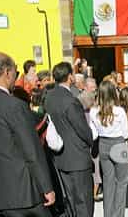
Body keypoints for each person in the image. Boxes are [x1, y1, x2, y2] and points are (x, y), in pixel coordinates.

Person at [0, 52, 55, 216]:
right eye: (16, 73)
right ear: (7, 73)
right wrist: (47, 187)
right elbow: (31, 150)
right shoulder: (14, 106)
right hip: (20, 195)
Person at [44, 62, 94, 217]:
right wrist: (90, 141)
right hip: (77, 158)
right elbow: (83, 129)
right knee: (83, 202)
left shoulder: (50, 96)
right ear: (69, 77)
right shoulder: (70, 101)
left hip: (61, 157)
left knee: (72, 201)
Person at [89, 80, 128, 217]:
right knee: (122, 182)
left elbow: (93, 134)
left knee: (108, 182)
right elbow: (125, 133)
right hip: (118, 144)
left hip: (103, 145)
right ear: (114, 93)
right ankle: (118, 215)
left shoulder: (94, 111)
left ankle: (108, 214)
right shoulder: (119, 111)